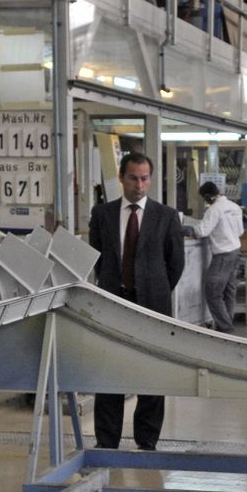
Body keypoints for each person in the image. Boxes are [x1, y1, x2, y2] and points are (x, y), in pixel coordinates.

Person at [88, 152, 186, 450]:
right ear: (121, 178)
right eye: (133, 178)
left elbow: (176, 263)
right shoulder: (102, 214)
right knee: (109, 372)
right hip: (113, 303)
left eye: (145, 179)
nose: (139, 185)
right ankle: (107, 441)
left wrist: (153, 291)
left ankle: (147, 440)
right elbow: (98, 257)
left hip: (153, 306)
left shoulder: (166, 216)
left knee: (151, 374)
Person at [194, 180, 244, 333]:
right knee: (229, 291)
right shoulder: (234, 207)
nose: (205, 201)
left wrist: (186, 229)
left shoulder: (214, 209)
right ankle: (227, 324)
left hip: (223, 255)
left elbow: (202, 231)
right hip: (236, 251)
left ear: (208, 196)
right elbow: (240, 231)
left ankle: (225, 327)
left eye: (204, 198)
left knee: (213, 292)